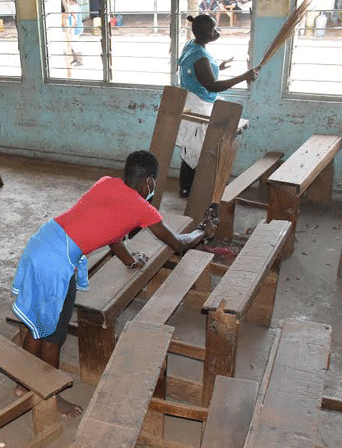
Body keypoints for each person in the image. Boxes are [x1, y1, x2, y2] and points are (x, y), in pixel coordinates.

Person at [11, 151, 216, 417]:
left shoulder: (106, 183)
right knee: (53, 337)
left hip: (42, 242)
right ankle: (51, 397)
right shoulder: (142, 207)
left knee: (37, 324)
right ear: (149, 182)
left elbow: (111, 233)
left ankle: (21, 384)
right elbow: (178, 243)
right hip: (55, 263)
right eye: (154, 183)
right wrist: (203, 230)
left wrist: (130, 261)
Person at [176, 14, 260, 198]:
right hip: (197, 103)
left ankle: (186, 187)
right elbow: (211, 85)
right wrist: (243, 77)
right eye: (213, 30)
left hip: (195, 98)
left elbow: (198, 73)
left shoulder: (193, 45)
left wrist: (218, 68)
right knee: (195, 149)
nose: (217, 32)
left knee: (192, 148)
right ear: (201, 32)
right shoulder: (200, 57)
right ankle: (189, 189)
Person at [63, 0, 83, 67]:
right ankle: (75, 59)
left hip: (76, 28)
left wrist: (71, 29)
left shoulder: (74, 8)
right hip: (77, 27)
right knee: (73, 44)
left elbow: (75, 20)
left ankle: (79, 60)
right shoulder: (76, 6)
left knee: (75, 45)